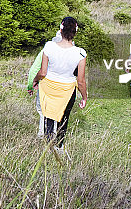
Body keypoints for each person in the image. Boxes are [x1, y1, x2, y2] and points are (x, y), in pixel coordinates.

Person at [31, 17, 87, 161]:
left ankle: (47, 148)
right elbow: (80, 81)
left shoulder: (49, 46)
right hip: (67, 90)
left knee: (49, 117)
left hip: (48, 86)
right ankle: (59, 147)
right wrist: (84, 97)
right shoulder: (80, 53)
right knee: (64, 118)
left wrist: (35, 81)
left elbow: (43, 72)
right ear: (75, 32)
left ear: (60, 29)